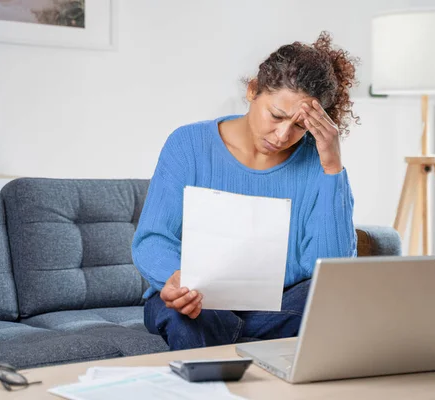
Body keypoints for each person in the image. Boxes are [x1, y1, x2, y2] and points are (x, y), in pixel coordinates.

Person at [132, 31, 360, 351]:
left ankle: (237, 340)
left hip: (279, 306)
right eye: (277, 116)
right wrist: (174, 278)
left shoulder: (316, 163)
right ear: (253, 90)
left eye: (300, 126)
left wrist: (332, 167)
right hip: (199, 302)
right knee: (184, 316)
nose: (282, 135)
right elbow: (153, 238)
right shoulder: (188, 144)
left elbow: (332, 270)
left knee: (337, 299)